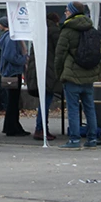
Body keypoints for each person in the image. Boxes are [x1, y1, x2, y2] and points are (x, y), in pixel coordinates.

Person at [54, 1, 101, 149]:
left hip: (71, 75)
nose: (65, 13)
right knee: (89, 108)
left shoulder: (67, 30)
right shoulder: (91, 28)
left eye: (66, 10)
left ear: (72, 12)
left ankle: (75, 139)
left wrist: (60, 73)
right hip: (89, 75)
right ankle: (92, 138)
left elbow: (60, 55)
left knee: (73, 109)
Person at [24, 13, 61, 141]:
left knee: (43, 101)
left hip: (38, 69)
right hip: (49, 71)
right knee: (45, 102)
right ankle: (41, 128)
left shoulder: (38, 30)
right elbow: (59, 50)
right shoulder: (55, 31)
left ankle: (41, 128)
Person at [0, 16, 28, 136]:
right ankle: (12, 127)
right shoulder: (11, 37)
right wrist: (24, 59)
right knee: (13, 101)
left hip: (8, 72)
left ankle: (11, 126)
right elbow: (10, 56)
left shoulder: (5, 37)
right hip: (13, 72)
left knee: (12, 101)